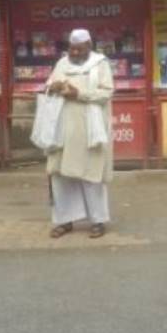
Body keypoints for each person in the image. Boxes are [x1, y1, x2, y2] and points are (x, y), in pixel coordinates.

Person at [45, 28, 115, 239]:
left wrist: (79, 94)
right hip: (62, 129)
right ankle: (64, 221)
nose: (74, 53)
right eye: (71, 49)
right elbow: (48, 86)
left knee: (91, 175)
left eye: (78, 49)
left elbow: (106, 92)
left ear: (88, 46)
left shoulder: (100, 64)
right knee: (60, 175)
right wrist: (53, 86)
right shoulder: (62, 63)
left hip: (90, 131)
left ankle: (97, 221)